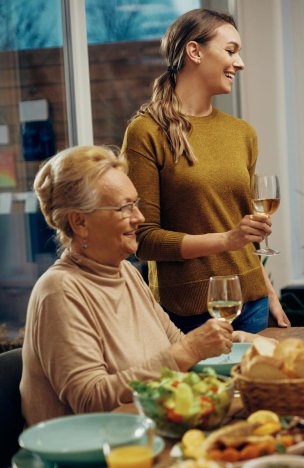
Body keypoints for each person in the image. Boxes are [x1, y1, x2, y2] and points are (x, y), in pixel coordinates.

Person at [21, 146, 259, 425]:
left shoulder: (125, 272)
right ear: (80, 222)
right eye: (124, 207)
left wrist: (241, 340)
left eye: (136, 203)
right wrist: (190, 350)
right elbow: (90, 400)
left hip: (146, 431)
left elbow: (177, 345)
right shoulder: (59, 290)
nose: (139, 218)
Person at [121, 8, 289, 333]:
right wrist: (227, 239)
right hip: (188, 311)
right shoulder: (147, 131)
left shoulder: (243, 133)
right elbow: (144, 239)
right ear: (194, 51)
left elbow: (243, 229)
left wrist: (268, 291)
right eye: (230, 51)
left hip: (250, 302)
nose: (240, 63)